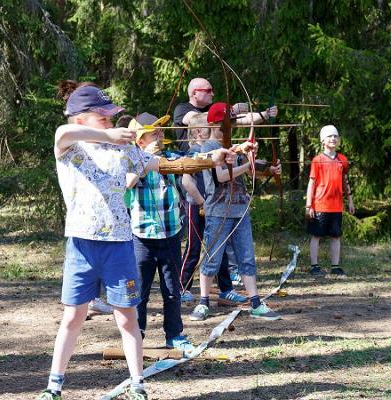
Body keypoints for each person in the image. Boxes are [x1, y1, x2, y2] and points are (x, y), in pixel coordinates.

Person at [36, 82, 237, 400]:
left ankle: (137, 384)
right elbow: (63, 133)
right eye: (101, 118)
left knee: (126, 317)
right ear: (80, 119)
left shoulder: (125, 150)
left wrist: (214, 159)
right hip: (81, 244)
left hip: (119, 245)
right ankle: (54, 386)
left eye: (109, 118)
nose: (108, 122)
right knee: (73, 315)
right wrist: (106, 135)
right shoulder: (70, 145)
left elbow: (170, 165)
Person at [189, 102, 282, 322]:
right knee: (212, 257)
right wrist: (246, 166)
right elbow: (222, 176)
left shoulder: (235, 146)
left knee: (246, 258)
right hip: (218, 211)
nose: (228, 128)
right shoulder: (208, 147)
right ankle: (203, 303)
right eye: (224, 125)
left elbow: (249, 168)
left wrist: (269, 168)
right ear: (213, 124)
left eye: (230, 123)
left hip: (240, 210)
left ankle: (256, 303)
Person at [124, 112, 194, 352]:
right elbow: (126, 183)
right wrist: (146, 160)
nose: (160, 136)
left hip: (171, 234)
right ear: (140, 140)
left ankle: (174, 335)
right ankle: (137, 334)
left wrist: (227, 154)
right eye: (154, 133)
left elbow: (196, 159)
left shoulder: (170, 158)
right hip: (141, 237)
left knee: (172, 289)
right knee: (139, 291)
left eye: (161, 132)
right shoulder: (131, 161)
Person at [179, 113, 247, 306]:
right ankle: (182, 287)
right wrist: (201, 203)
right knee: (194, 248)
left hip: (212, 207)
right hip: (196, 206)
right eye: (210, 126)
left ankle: (226, 290)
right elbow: (187, 182)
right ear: (200, 131)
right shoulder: (194, 153)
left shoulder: (216, 150)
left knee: (219, 247)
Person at [305, 125, 355, 277]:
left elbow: (345, 181)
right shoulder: (317, 160)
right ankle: (314, 266)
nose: (333, 138)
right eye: (329, 136)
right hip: (320, 204)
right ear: (323, 140)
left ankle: (335, 266)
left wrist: (350, 200)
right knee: (316, 235)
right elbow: (311, 183)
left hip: (336, 206)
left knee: (335, 235)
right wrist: (309, 205)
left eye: (335, 136)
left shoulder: (343, 160)